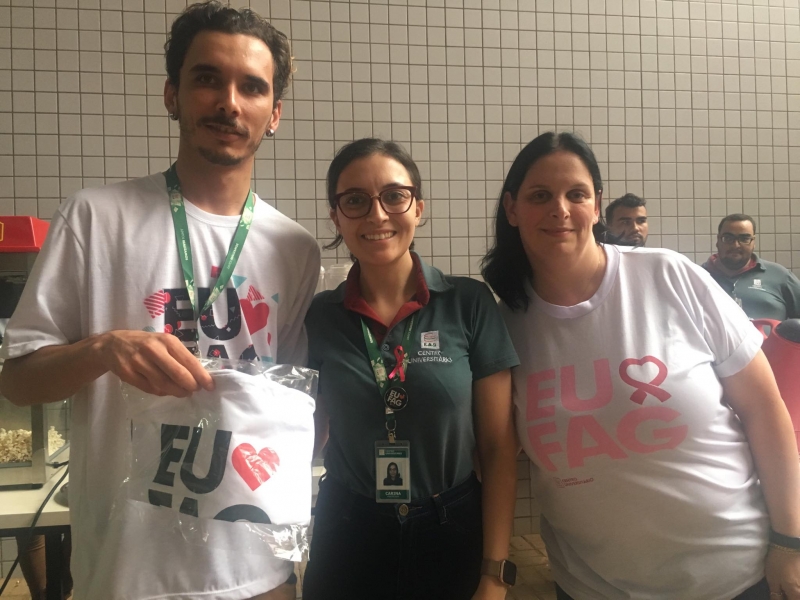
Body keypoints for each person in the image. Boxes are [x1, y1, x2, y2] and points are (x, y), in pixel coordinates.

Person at [0, 3, 320, 599]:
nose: (229, 102)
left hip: (257, 575)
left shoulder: (295, 249)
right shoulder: (94, 219)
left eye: (252, 87)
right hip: (127, 575)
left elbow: (286, 403)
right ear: (172, 94)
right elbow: (17, 382)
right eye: (208, 79)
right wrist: (103, 349)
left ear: (274, 113)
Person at [482, 131, 800, 600]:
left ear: (597, 206)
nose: (560, 209)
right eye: (540, 196)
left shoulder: (669, 275)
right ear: (512, 209)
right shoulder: (504, 326)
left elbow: (765, 409)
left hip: (738, 576)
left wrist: (790, 541)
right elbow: (495, 452)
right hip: (593, 586)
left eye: (576, 194)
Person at [304, 138, 520, 600]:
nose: (377, 215)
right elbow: (304, 434)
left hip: (451, 526)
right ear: (336, 217)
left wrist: (494, 572)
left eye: (394, 196)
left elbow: (499, 447)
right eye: (355, 201)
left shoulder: (468, 303)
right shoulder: (321, 315)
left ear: (418, 208)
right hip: (349, 528)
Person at [703, 214, 800, 321]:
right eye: (728, 238)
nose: (736, 245)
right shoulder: (698, 276)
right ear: (718, 240)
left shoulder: (780, 276)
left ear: (753, 242)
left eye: (744, 238)